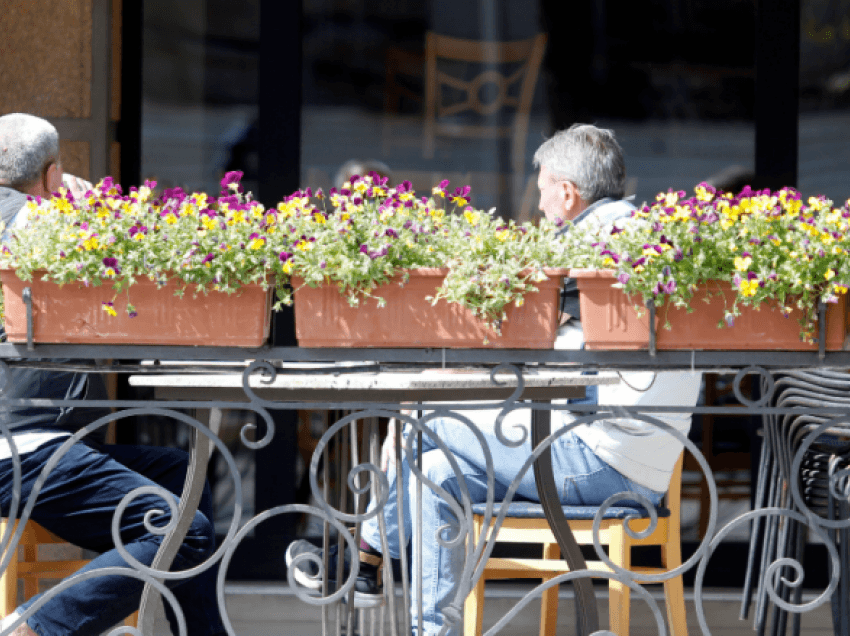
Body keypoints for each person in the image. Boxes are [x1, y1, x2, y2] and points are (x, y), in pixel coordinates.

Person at [285, 124, 702, 635]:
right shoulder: (641, 237)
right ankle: (425, 625)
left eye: (545, 185)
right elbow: (568, 354)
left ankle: (363, 558)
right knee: (435, 470)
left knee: (418, 418)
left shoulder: (590, 247)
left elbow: (533, 342)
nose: (541, 200)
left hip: (601, 465)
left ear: (567, 192)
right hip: (630, 459)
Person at [0, 113, 226, 636]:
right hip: (24, 448)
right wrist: (85, 206)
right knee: (180, 528)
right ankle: (36, 628)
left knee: (180, 476)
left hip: (34, 446)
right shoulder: (43, 222)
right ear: (53, 175)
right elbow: (146, 261)